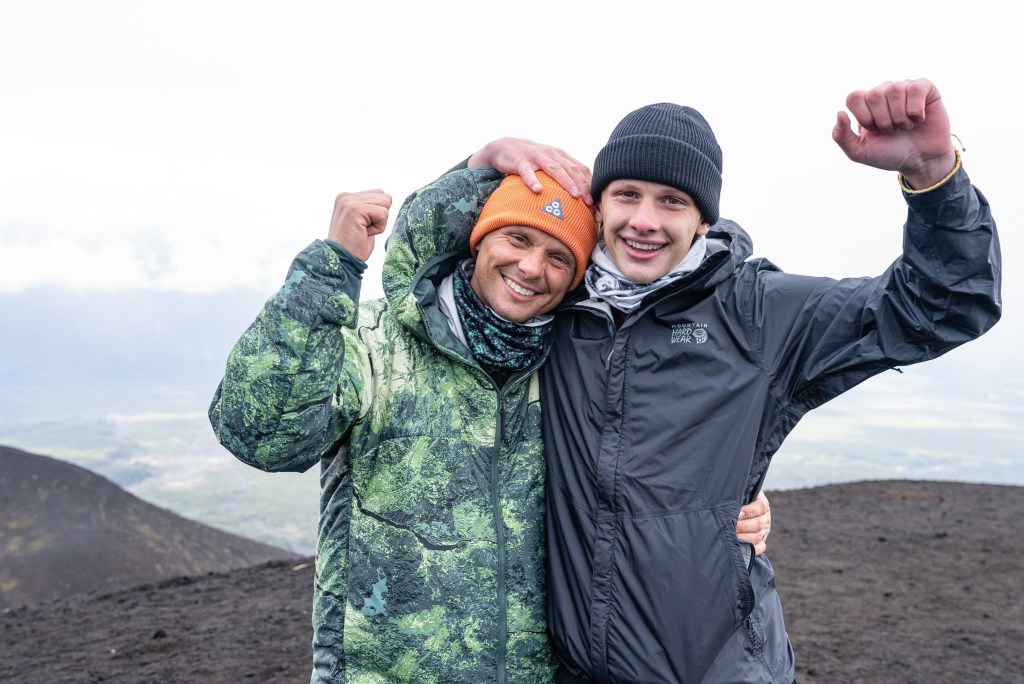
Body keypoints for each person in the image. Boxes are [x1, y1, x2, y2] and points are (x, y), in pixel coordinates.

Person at [466, 78, 1002, 683]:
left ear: (701, 220)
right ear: (600, 203)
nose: (644, 221)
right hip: (575, 670)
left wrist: (933, 175)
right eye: (627, 195)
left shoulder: (759, 314)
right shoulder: (558, 309)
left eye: (672, 201)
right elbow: (457, 270)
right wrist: (480, 164)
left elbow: (946, 305)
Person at [208, 166, 775, 682]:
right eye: (518, 238)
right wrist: (332, 265)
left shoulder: (569, 367)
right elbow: (260, 434)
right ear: (479, 240)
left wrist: (731, 507)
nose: (532, 267)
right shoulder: (378, 342)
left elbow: (641, 472)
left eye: (560, 258)